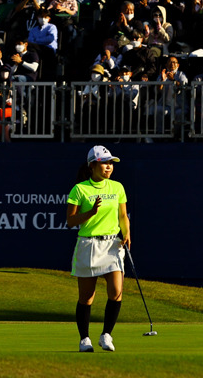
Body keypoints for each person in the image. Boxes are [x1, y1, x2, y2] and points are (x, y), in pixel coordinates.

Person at [65, 145, 130, 353]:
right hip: (89, 245)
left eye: (111, 164)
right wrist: (91, 212)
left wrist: (126, 232)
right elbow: (70, 221)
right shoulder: (80, 189)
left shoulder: (117, 187)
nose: (109, 167)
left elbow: (122, 216)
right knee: (87, 297)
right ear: (92, 165)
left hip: (112, 244)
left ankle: (106, 335)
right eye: (104, 163)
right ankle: (84, 339)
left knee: (116, 291)